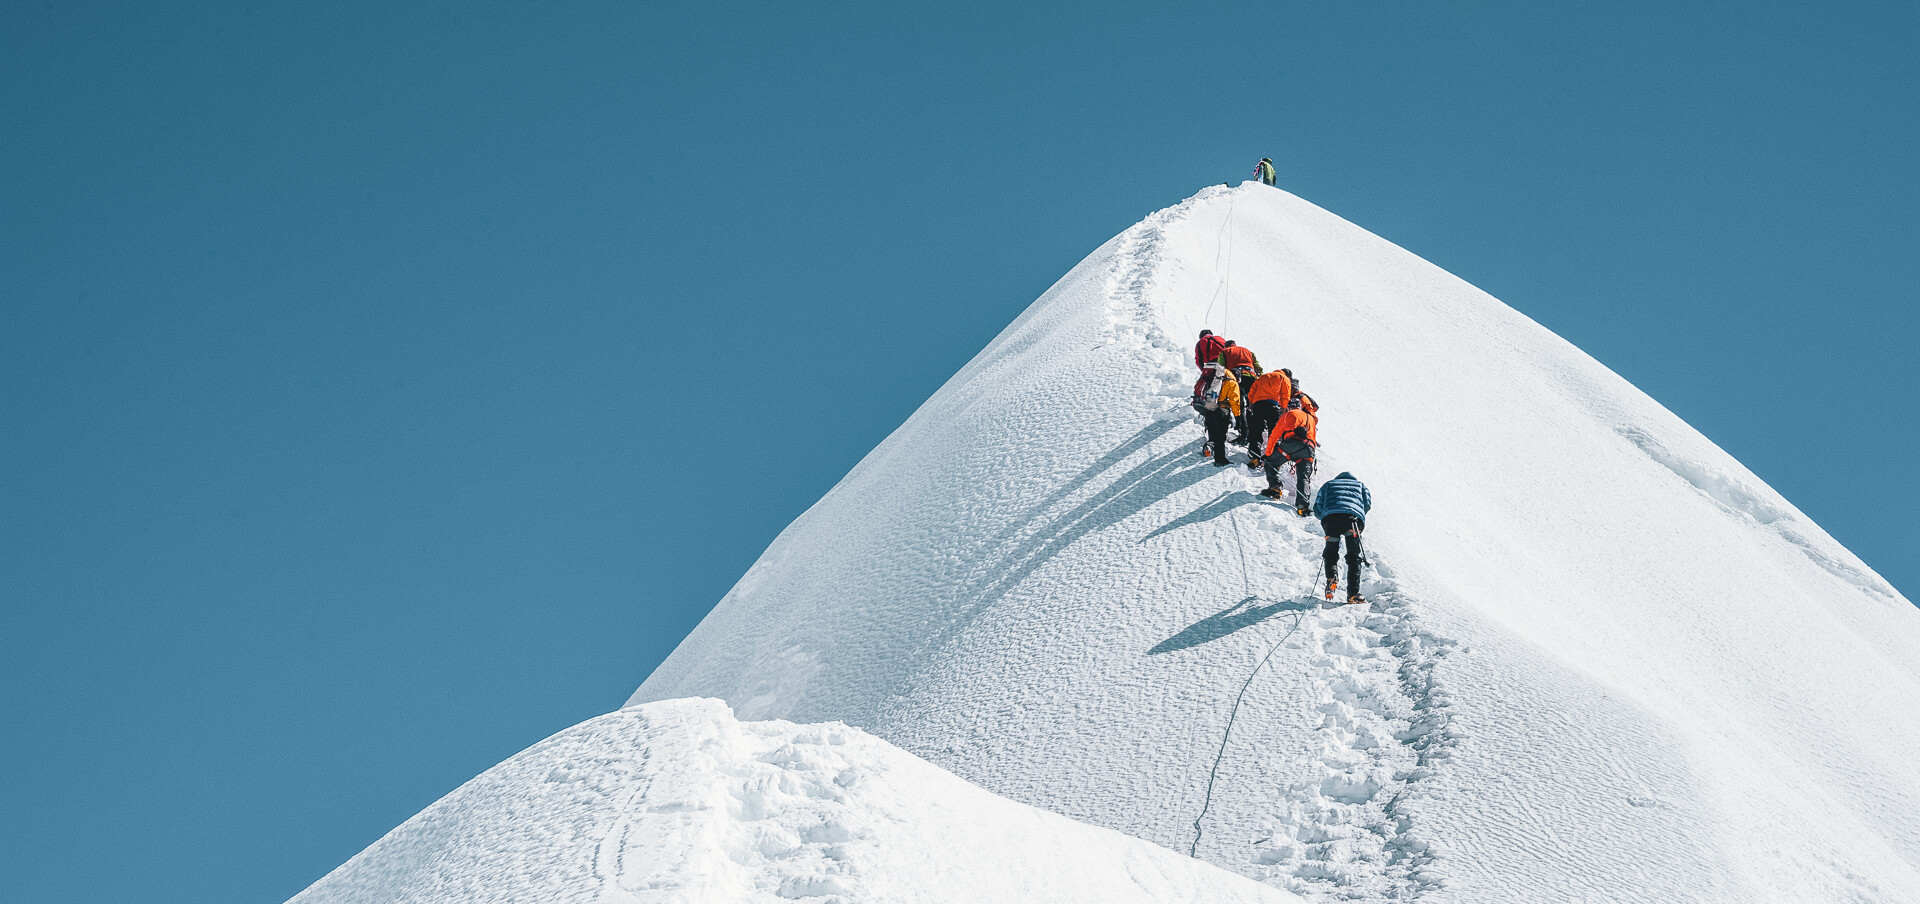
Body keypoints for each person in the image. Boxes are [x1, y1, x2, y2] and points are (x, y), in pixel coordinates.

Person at [1312, 472, 1372, 604]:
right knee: (1354, 555)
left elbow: (1317, 507)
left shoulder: (1328, 485)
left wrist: (1324, 517)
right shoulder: (1360, 485)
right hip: (1353, 520)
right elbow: (1367, 504)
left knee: (1331, 551)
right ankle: (1353, 594)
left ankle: (1332, 576)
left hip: (1331, 519)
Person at [1260, 395, 1318, 513]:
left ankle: (1275, 489)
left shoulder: (1288, 415)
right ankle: (1303, 506)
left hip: (1291, 445)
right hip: (1308, 450)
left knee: (1271, 463)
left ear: (1290, 407)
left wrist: (1268, 453)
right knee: (1303, 477)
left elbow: (1274, 435)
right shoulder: (1311, 419)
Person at [1242, 368, 1292, 468]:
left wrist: (1251, 403)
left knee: (1256, 431)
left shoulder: (1263, 376)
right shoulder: (1284, 378)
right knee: (1274, 433)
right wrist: (1283, 410)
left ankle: (1255, 457)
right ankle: (1274, 458)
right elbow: (1285, 395)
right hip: (1273, 407)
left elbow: (1252, 390)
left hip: (1258, 405)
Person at [1193, 363, 1242, 466]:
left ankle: (1209, 447)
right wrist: (1238, 416)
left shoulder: (1216, 378)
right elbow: (1235, 401)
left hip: (1209, 408)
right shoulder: (1232, 382)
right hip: (1221, 411)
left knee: (1212, 433)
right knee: (1220, 436)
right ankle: (1220, 460)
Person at [1217, 341, 1260, 442]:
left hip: (1237, 378)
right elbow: (1258, 367)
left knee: (1239, 404)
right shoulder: (1248, 352)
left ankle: (1244, 433)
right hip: (1252, 377)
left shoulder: (1224, 352)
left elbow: (1220, 368)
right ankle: (1253, 434)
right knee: (1251, 405)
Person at [1193, 330, 1227, 397]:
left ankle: (1200, 397)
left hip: (1210, 365)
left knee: (1204, 382)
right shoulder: (1220, 339)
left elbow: (1198, 360)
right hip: (1223, 364)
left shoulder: (1200, 342)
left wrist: (1203, 370)